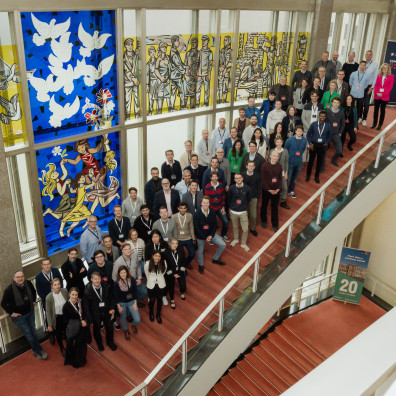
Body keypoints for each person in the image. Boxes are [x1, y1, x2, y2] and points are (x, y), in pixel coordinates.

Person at [1, 271, 47, 360]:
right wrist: (12, 313)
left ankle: (36, 349)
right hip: (19, 318)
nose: (20, 278)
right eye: (18, 277)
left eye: (22, 276)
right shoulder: (9, 290)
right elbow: (3, 303)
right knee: (29, 334)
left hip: (30, 313)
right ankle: (38, 350)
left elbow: (34, 292)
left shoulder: (28, 283)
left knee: (33, 331)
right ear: (14, 278)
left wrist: (33, 302)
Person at [84, 272, 117, 351]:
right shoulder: (87, 291)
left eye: (99, 278)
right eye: (95, 279)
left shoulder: (106, 285)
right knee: (96, 330)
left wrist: (112, 307)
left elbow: (111, 298)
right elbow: (86, 307)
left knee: (110, 328)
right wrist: (90, 319)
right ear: (91, 280)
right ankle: (99, 343)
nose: (97, 281)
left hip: (106, 311)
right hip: (96, 314)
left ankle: (110, 342)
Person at [194, 195, 227, 274]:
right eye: (204, 203)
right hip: (201, 236)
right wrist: (205, 237)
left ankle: (215, 259)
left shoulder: (212, 212)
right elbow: (196, 228)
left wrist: (211, 236)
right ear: (201, 203)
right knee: (200, 251)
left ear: (209, 204)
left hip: (211, 234)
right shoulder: (197, 214)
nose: (205, 204)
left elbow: (215, 225)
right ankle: (201, 264)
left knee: (223, 244)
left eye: (207, 203)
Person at [35, 257, 63, 344]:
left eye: (48, 264)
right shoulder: (38, 277)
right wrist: (49, 299)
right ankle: (51, 334)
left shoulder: (55, 271)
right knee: (49, 317)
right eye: (44, 264)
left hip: (59, 297)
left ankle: (62, 331)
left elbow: (61, 282)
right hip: (48, 301)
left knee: (60, 315)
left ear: (51, 264)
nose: (47, 266)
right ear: (42, 266)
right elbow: (39, 291)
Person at [112, 243, 147, 307]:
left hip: (134, 278)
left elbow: (138, 266)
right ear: (122, 250)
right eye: (126, 249)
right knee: (127, 297)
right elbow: (114, 277)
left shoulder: (135, 255)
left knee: (145, 292)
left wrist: (139, 278)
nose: (128, 251)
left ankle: (136, 301)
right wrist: (121, 285)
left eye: (129, 249)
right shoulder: (118, 262)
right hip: (124, 281)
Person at [62, 287, 89, 368]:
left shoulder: (80, 302)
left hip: (83, 327)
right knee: (76, 345)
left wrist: (84, 320)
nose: (74, 297)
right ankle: (76, 362)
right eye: (73, 294)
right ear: (69, 294)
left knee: (83, 344)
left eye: (76, 295)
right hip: (74, 329)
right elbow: (65, 320)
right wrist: (78, 322)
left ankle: (82, 360)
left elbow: (84, 313)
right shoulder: (66, 306)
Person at [114, 265, 140, 340]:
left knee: (137, 319)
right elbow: (116, 296)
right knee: (123, 317)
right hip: (122, 303)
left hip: (132, 302)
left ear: (127, 272)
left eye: (124, 272)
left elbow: (135, 292)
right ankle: (126, 330)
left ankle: (133, 325)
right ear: (119, 274)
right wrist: (119, 307)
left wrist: (135, 303)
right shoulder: (116, 283)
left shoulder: (132, 280)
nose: (123, 274)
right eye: (121, 273)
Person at [306, 111, 332, 183]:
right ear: (319, 116)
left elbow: (330, 136)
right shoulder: (314, 124)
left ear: (325, 117)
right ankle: (308, 175)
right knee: (310, 161)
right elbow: (308, 135)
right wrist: (310, 143)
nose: (322, 118)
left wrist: (326, 142)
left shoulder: (328, 125)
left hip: (322, 146)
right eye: (321, 116)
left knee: (319, 162)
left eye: (324, 116)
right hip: (313, 145)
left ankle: (316, 177)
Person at [260, 150, 283, 232]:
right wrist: (269, 189)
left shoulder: (279, 166)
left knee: (275, 207)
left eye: (277, 156)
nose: (276, 157)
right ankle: (264, 220)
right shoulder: (265, 166)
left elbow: (280, 178)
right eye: (274, 156)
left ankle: (275, 224)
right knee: (264, 205)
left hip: (276, 191)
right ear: (270, 156)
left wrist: (278, 189)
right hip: (267, 190)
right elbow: (263, 179)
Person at [229, 173, 251, 252]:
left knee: (245, 229)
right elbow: (229, 199)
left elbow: (249, 199)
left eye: (239, 178)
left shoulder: (247, 188)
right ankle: (236, 239)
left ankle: (243, 243)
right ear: (234, 179)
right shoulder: (231, 188)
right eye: (236, 178)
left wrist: (243, 206)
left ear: (242, 178)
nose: (238, 179)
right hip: (233, 211)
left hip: (243, 211)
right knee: (235, 226)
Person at [45, 278, 68, 356]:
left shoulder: (64, 291)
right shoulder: (49, 297)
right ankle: (62, 348)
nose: (57, 286)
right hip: (57, 318)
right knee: (58, 334)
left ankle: (69, 347)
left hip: (66, 316)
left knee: (67, 332)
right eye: (55, 285)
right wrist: (49, 325)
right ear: (52, 286)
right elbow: (48, 312)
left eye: (58, 284)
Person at [285, 125, 307, 199]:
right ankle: (283, 191)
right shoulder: (290, 140)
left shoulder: (304, 140)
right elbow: (285, 149)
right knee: (288, 178)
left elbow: (303, 149)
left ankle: (290, 191)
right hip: (290, 161)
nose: (299, 132)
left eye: (301, 131)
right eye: (298, 131)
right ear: (295, 131)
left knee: (294, 178)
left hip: (299, 162)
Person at [145, 251, 167, 323]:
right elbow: (147, 274)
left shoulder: (164, 262)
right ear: (153, 256)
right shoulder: (148, 263)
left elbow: (163, 272)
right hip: (151, 284)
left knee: (159, 300)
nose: (157, 258)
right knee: (152, 300)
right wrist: (152, 279)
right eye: (156, 256)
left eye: (159, 256)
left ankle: (158, 314)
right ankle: (151, 312)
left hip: (161, 284)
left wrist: (158, 278)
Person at [164, 238, 187, 309]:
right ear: (169, 244)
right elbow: (165, 266)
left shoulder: (181, 250)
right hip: (171, 273)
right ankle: (172, 299)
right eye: (173, 243)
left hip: (180, 271)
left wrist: (179, 272)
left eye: (176, 243)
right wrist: (173, 274)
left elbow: (184, 261)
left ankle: (182, 292)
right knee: (171, 287)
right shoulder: (166, 252)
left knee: (183, 286)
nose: (175, 245)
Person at [172, 202, 195, 270]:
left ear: (186, 208)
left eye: (184, 208)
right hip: (178, 239)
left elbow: (191, 227)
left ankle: (185, 263)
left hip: (188, 238)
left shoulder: (189, 215)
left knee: (192, 254)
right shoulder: (174, 216)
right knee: (180, 255)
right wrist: (174, 239)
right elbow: (173, 229)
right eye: (181, 208)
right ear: (178, 208)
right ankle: (182, 266)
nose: (183, 210)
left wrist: (193, 238)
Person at [372, 63, 394, 131]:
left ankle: (380, 125)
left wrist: (383, 94)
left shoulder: (391, 76)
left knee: (382, 111)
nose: (385, 69)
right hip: (377, 96)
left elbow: (390, 87)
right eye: (383, 68)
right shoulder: (379, 76)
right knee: (376, 110)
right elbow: (376, 85)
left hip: (384, 97)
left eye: (386, 68)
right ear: (381, 68)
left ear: (388, 69)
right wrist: (377, 93)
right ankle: (374, 123)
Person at [325, 97, 345, 168]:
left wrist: (340, 133)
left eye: (337, 103)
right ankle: (322, 163)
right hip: (327, 134)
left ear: (339, 104)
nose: (336, 104)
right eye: (334, 102)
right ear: (332, 103)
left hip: (336, 134)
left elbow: (343, 124)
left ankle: (333, 160)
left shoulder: (341, 113)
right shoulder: (327, 111)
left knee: (340, 151)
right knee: (324, 149)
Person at [242, 161, 261, 236]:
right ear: (246, 166)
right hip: (244, 198)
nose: (251, 167)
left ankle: (252, 228)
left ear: (254, 167)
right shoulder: (242, 174)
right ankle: (245, 228)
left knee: (253, 216)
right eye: (249, 166)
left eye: (252, 166)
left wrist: (256, 197)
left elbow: (259, 187)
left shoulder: (257, 175)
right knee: (245, 214)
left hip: (253, 197)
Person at [270, 137, 289, 209]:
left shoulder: (285, 151)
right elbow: (269, 161)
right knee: (274, 187)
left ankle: (283, 201)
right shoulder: (272, 150)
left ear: (282, 142)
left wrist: (286, 173)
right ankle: (273, 202)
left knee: (284, 187)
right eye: (277, 142)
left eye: (280, 142)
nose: (279, 143)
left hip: (282, 173)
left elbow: (287, 162)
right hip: (274, 173)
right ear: (275, 143)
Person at [362, 50, 379, 127]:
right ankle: (359, 117)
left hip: (369, 86)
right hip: (361, 86)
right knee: (360, 103)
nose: (368, 56)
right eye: (367, 54)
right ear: (365, 55)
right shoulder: (363, 63)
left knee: (366, 103)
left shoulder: (375, 64)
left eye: (369, 55)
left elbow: (376, 77)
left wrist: (372, 87)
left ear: (371, 56)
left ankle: (364, 119)